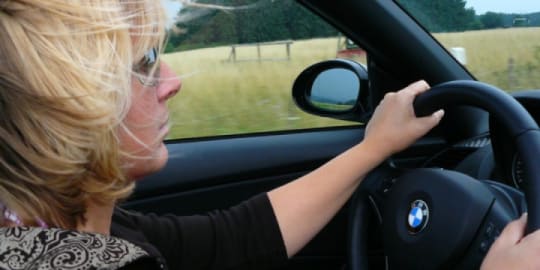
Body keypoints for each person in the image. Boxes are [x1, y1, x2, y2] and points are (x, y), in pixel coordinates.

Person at [0, 0, 539, 269]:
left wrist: (375, 146)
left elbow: (232, 240)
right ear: (69, 109)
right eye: (143, 64)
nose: (172, 81)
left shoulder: (69, 224)